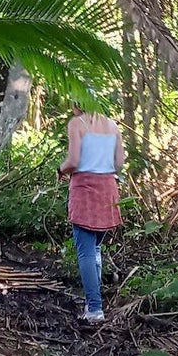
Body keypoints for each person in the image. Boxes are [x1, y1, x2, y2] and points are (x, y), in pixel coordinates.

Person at [59, 104, 124, 323]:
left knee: (86, 252)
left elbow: (73, 161)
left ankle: (95, 308)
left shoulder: (77, 124)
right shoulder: (113, 125)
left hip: (85, 188)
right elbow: (119, 164)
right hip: (108, 189)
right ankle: (93, 304)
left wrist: (60, 169)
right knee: (95, 248)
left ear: (77, 103)